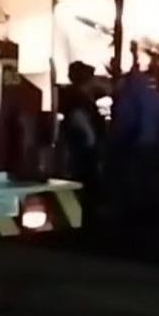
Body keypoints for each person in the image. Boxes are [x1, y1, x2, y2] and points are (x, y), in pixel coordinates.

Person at [110, 66, 159, 241]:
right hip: (153, 148)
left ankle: (132, 225)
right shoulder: (155, 97)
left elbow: (122, 124)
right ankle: (149, 222)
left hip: (133, 148)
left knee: (132, 186)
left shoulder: (127, 97)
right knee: (150, 185)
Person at [61, 61, 105, 229]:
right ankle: (87, 223)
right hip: (84, 151)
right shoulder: (79, 99)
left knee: (84, 184)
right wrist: (92, 142)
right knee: (88, 183)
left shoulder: (73, 96)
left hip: (79, 150)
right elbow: (78, 120)